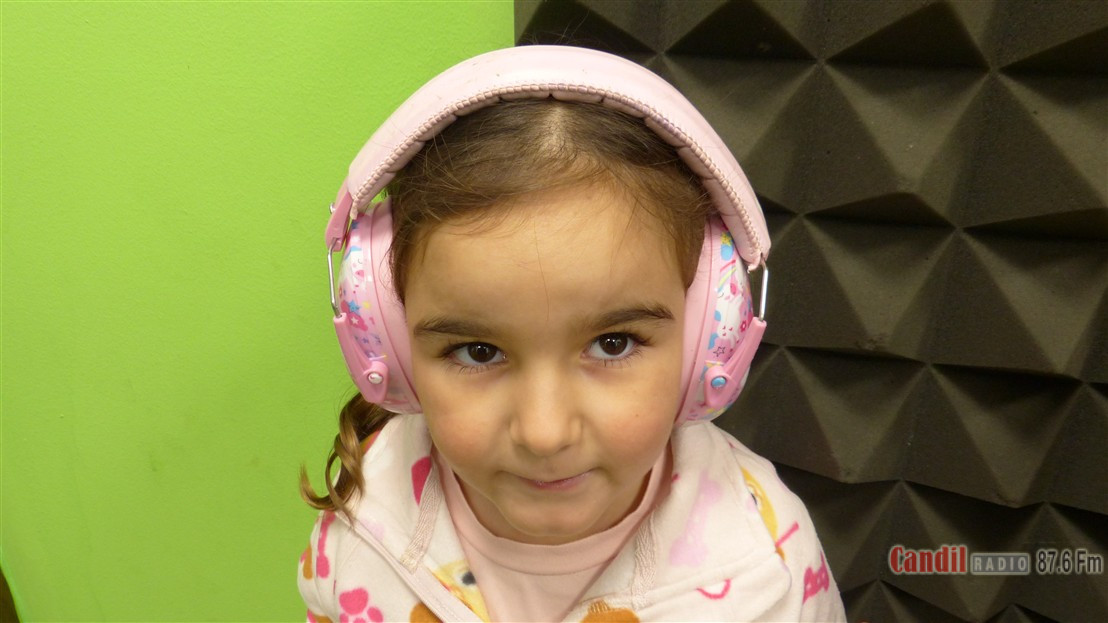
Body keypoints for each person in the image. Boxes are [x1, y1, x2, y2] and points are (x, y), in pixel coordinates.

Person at [298, 45, 846, 623]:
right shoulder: (360, 528)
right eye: (478, 351)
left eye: (613, 343)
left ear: (711, 334)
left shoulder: (770, 568)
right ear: (389, 341)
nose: (544, 433)